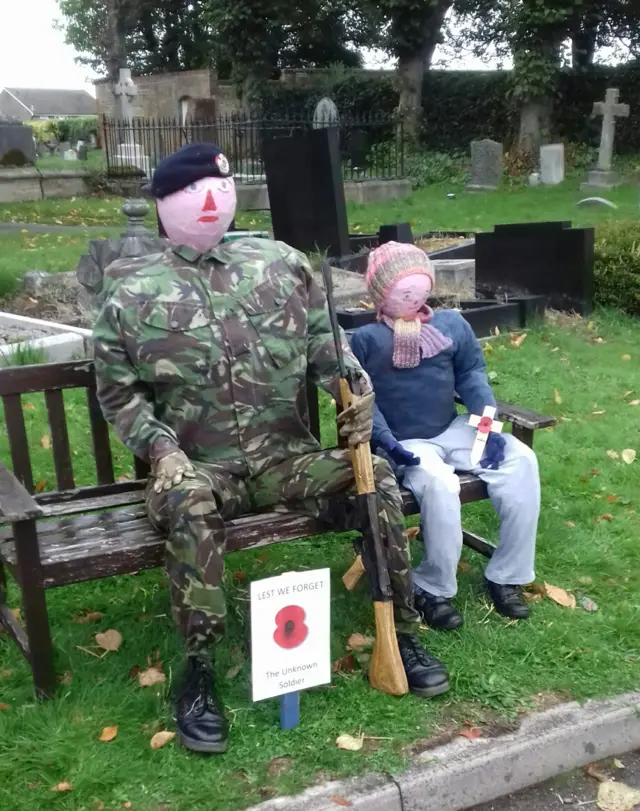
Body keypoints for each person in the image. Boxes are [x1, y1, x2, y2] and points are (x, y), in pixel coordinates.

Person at [93, 145, 449, 756]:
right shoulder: (132, 293)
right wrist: (161, 450)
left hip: (288, 460)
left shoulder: (281, 265)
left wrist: (355, 390)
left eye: (220, 187)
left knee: (380, 478)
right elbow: (117, 393)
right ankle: (199, 670)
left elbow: (327, 348)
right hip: (201, 467)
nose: (211, 201)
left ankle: (403, 629)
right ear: (164, 204)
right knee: (185, 503)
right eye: (194, 191)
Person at [350, 242, 541, 632]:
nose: (414, 297)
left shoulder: (451, 325)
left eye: (420, 289)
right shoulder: (366, 340)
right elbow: (360, 396)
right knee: (438, 484)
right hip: (407, 442)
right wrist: (388, 443)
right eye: (403, 292)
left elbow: (472, 373)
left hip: (452, 428)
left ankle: (507, 574)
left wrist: (486, 425)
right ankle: (433, 586)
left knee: (521, 460)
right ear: (380, 294)